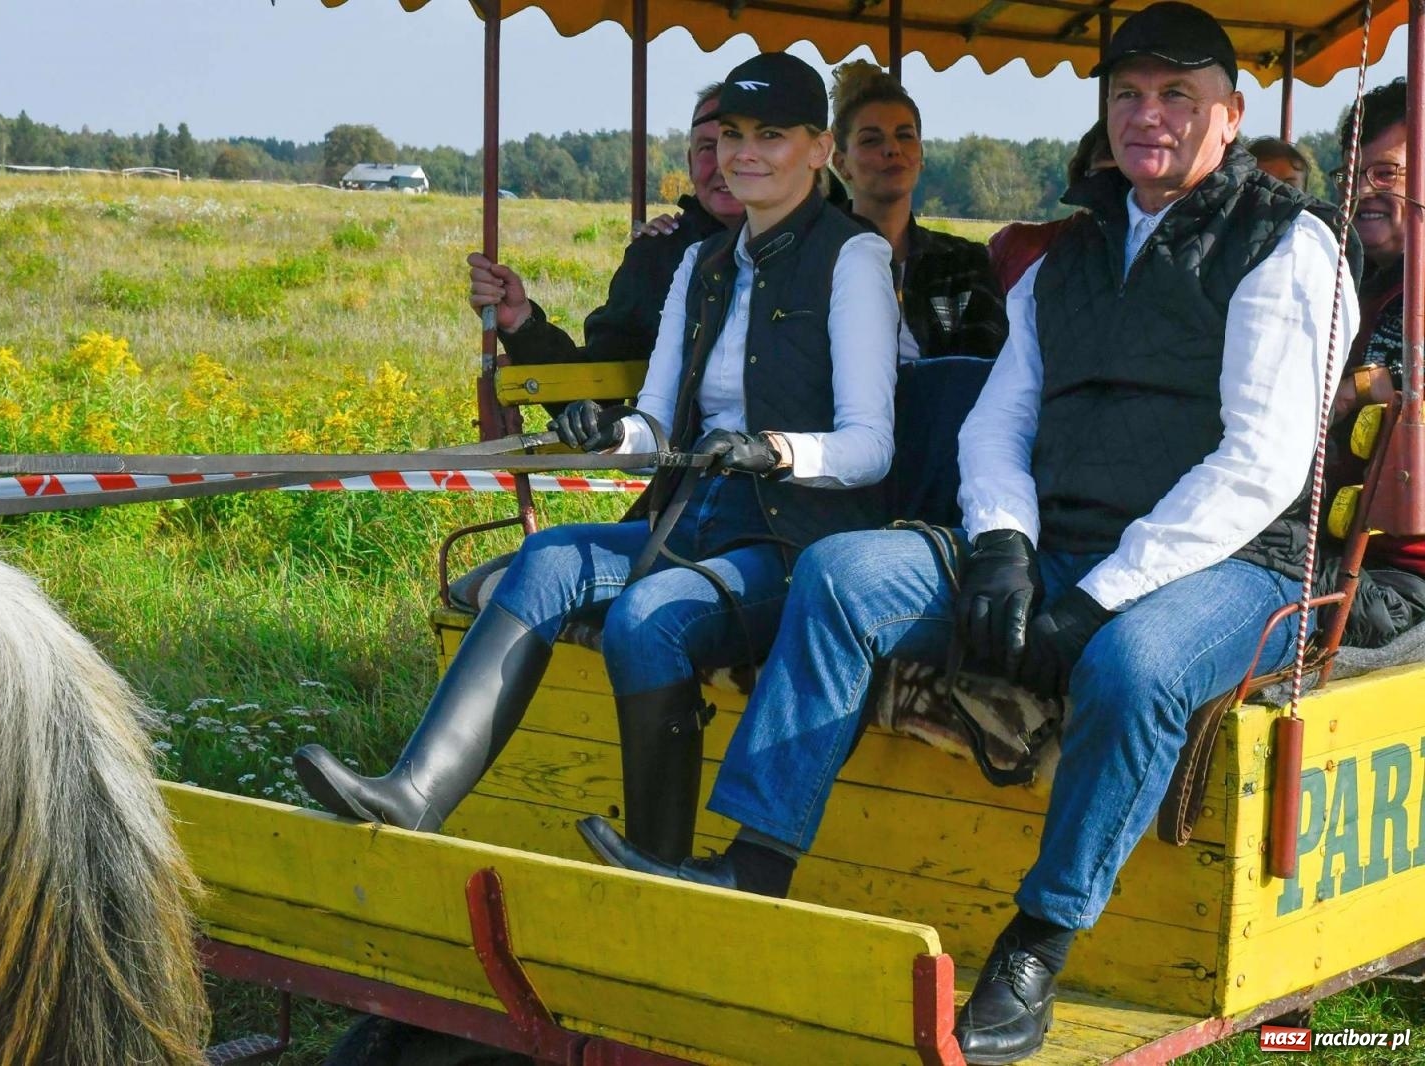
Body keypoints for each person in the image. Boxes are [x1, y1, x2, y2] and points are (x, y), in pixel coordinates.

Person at [580, 5, 1356, 1063]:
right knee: (848, 572)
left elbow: (1259, 465)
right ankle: (754, 863)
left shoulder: (1284, 243)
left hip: (1230, 563)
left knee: (1132, 668)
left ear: (1228, 113)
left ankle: (1036, 945)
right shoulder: (1066, 255)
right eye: (1128, 94)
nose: (1149, 117)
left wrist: (1102, 596)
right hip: (1057, 538)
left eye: (1178, 96)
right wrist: (1000, 543)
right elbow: (1001, 418)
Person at [295, 52, 900, 871]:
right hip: (690, 517)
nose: (744, 153)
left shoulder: (854, 259)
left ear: (819, 149)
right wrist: (606, 433)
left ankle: (659, 864)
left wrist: (776, 449)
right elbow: (654, 426)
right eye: (729, 136)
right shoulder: (700, 263)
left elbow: (873, 447)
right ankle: (414, 794)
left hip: (792, 541)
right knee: (544, 559)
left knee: (650, 620)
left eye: (771, 135)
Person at [466, 83, 743, 383]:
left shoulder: (800, 256)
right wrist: (522, 322)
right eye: (708, 148)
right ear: (690, 163)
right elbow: (600, 383)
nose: (722, 165)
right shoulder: (658, 257)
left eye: (737, 145)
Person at [1321, 77, 1425, 644]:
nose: (1362, 191)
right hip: (1334, 546)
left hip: (1405, 577)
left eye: (1385, 173)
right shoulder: (1349, 280)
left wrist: (1353, 390)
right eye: (1352, 176)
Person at [828, 60, 1008, 361]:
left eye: (905, 136)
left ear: (921, 156)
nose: (892, 149)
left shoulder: (963, 262)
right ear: (841, 163)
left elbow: (984, 367)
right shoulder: (814, 257)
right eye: (871, 140)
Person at [987, 121, 1115, 292]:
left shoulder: (1018, 245)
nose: (1123, 192)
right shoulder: (1019, 246)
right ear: (1082, 181)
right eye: (1109, 179)